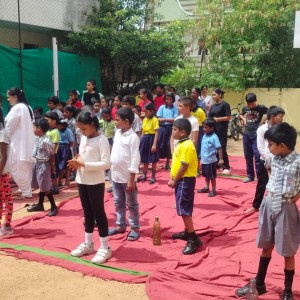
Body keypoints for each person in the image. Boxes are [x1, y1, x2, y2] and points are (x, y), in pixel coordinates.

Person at [235, 122, 300, 300]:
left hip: (286, 208)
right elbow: (268, 168)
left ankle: (287, 290)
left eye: (271, 144)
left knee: (288, 251)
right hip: (268, 203)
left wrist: (296, 195)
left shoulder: (298, 162)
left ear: (283, 146)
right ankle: (260, 283)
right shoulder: (272, 157)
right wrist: (273, 185)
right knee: (266, 245)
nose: (268, 147)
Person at [68, 110, 112, 265]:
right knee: (87, 213)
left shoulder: (102, 140)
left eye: (84, 129)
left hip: (95, 182)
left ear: (93, 125)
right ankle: (88, 244)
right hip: (82, 180)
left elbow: (106, 163)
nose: (82, 132)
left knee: (98, 213)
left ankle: (105, 247)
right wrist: (76, 162)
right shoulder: (83, 138)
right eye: (80, 129)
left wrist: (84, 164)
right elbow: (82, 155)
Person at [168, 118, 203, 255]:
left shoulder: (187, 146)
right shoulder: (181, 144)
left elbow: (184, 166)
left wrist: (174, 180)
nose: (173, 131)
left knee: (183, 209)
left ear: (182, 132)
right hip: (181, 180)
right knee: (183, 207)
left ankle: (193, 238)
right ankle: (187, 231)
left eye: (174, 129)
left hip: (184, 180)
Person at [108, 107, 141, 241]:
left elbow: (135, 158)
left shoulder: (133, 137)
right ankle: (120, 225)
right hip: (115, 175)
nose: (115, 122)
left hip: (127, 177)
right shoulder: (117, 133)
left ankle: (134, 227)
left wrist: (132, 179)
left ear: (126, 121)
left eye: (117, 120)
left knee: (131, 203)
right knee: (118, 201)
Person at [245, 106, 285, 213]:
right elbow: (260, 147)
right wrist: (269, 158)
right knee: (262, 184)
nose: (282, 119)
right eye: (280, 116)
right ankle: (256, 205)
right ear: (272, 117)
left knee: (279, 183)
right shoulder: (262, 129)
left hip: (279, 160)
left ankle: (278, 206)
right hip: (264, 160)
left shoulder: (281, 129)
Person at [5, 87, 35, 199]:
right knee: (23, 167)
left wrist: (5, 136)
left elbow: (9, 126)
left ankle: (26, 192)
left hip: (18, 142)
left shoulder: (17, 108)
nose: (8, 99)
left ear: (15, 97)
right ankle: (25, 190)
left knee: (16, 166)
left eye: (9, 97)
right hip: (23, 142)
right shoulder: (26, 107)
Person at [26, 119, 58, 216]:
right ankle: (40, 204)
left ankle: (53, 206)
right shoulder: (39, 138)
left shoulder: (46, 140)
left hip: (43, 164)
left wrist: (52, 166)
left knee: (45, 187)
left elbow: (52, 154)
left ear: (39, 129)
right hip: (38, 164)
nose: (33, 129)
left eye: (34, 127)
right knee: (41, 185)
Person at [239, 93, 268, 183]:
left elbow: (270, 112)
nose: (251, 106)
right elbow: (240, 114)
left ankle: (260, 176)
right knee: (248, 155)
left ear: (256, 101)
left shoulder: (261, 108)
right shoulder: (245, 108)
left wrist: (263, 121)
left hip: (256, 135)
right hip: (246, 134)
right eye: (249, 104)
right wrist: (243, 118)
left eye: (252, 104)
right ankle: (250, 176)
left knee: (258, 156)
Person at [197, 118, 223, 197]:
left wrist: (221, 159)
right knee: (206, 175)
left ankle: (214, 189)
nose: (204, 129)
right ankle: (206, 187)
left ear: (212, 128)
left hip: (211, 160)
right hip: (204, 160)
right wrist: (200, 155)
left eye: (206, 127)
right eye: (203, 127)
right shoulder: (205, 135)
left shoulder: (214, 137)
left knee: (212, 176)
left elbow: (219, 148)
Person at [208, 88, 231, 174]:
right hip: (213, 130)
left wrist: (217, 119)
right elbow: (209, 117)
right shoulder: (213, 106)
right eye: (212, 95)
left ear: (220, 95)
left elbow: (228, 117)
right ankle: (216, 165)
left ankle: (226, 166)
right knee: (213, 147)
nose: (213, 96)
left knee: (222, 147)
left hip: (222, 129)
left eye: (214, 94)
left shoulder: (225, 104)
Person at [138, 102, 159, 184]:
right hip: (145, 139)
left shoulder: (155, 120)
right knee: (144, 158)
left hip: (152, 138)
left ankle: (153, 176)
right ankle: (144, 175)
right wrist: (141, 140)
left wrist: (154, 144)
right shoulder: (145, 119)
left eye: (146, 112)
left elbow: (157, 132)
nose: (144, 113)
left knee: (153, 159)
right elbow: (143, 131)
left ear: (151, 111)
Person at [156, 92, 178, 170]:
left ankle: (168, 163)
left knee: (169, 145)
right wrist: (162, 120)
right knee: (160, 144)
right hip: (162, 127)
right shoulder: (162, 107)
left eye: (170, 99)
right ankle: (158, 162)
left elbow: (175, 119)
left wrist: (165, 119)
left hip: (170, 128)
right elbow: (158, 117)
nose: (168, 101)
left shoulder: (175, 108)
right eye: (167, 99)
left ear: (173, 100)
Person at [0, 112, 13, 237]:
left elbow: (3, 156)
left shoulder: (2, 134)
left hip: (2, 172)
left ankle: (7, 225)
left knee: (7, 198)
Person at [44, 111, 60, 195]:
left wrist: (52, 155)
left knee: (53, 171)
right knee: (49, 171)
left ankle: (55, 186)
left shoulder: (55, 132)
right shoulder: (47, 131)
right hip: (46, 154)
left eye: (48, 120)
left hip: (53, 155)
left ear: (53, 121)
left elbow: (54, 145)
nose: (46, 121)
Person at [57, 119, 74, 187]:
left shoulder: (68, 131)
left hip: (65, 148)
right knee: (60, 165)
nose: (59, 126)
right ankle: (59, 181)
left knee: (67, 165)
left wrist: (66, 148)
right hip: (58, 148)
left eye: (60, 125)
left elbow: (71, 141)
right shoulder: (57, 131)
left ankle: (67, 181)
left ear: (64, 125)